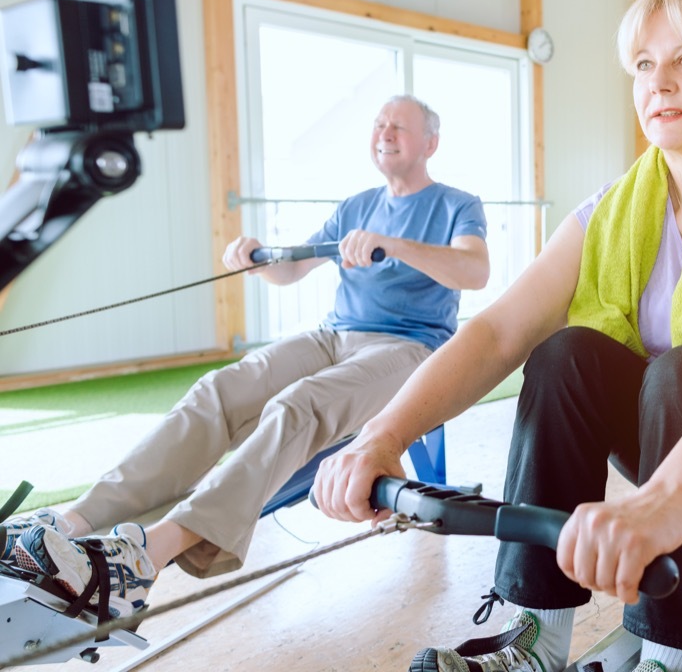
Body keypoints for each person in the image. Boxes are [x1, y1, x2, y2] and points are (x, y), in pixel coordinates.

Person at [313, 0, 682, 672]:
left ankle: (676, 656)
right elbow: (498, 332)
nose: (659, 82)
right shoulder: (613, 210)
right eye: (645, 64)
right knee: (566, 353)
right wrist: (383, 434)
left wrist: (664, 503)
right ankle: (534, 638)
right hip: (679, 443)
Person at [2, 94, 489, 618]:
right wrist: (254, 259)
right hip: (333, 336)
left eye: (399, 126)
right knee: (217, 391)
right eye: (378, 124)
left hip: (410, 347)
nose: (384, 132)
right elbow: (292, 269)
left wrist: (395, 245)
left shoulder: (456, 204)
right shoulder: (357, 204)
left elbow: (474, 272)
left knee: (299, 405)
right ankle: (69, 524)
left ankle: (144, 558)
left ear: (430, 142)